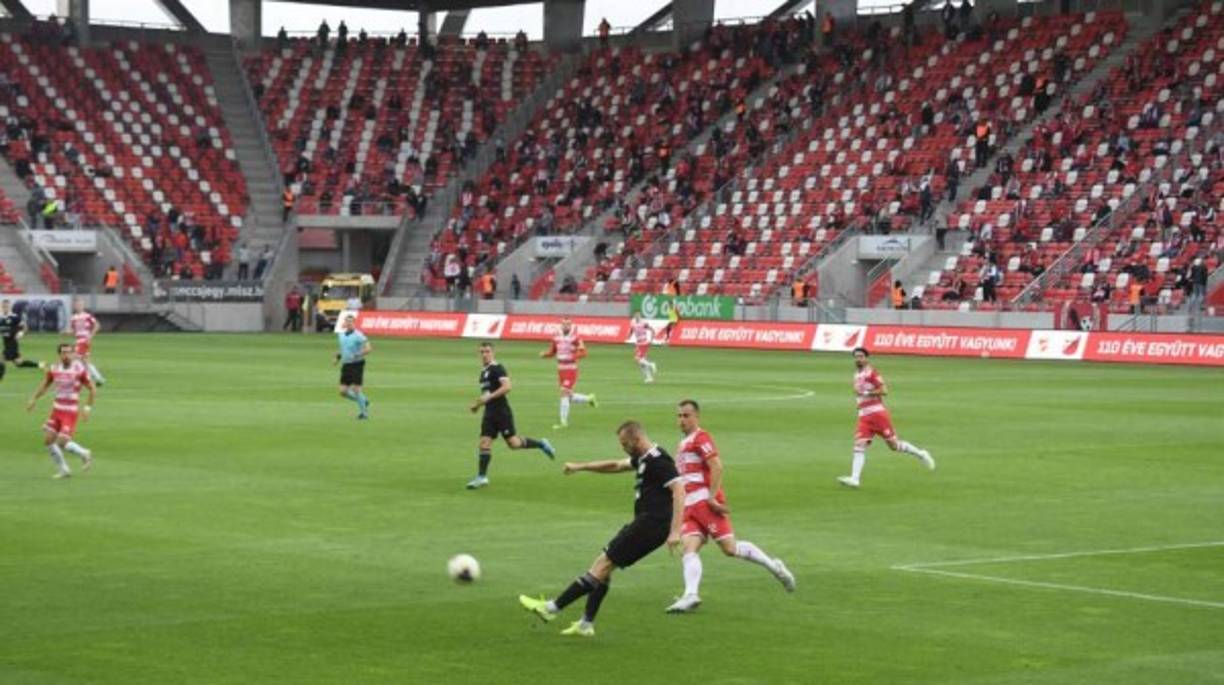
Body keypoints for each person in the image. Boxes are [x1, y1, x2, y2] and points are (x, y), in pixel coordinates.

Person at [519, 420, 685, 638]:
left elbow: (679, 490)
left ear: (637, 439)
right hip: (646, 523)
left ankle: (551, 608)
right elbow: (616, 465)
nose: (622, 447)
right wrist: (582, 466)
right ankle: (586, 624)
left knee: (603, 564)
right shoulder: (643, 457)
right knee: (604, 568)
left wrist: (675, 532)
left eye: (625, 443)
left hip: (652, 525)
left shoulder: (658, 460)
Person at [665, 400, 795, 613]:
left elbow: (716, 465)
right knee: (689, 549)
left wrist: (713, 497)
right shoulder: (682, 444)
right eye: (679, 416)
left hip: (704, 502)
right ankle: (690, 595)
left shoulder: (701, 437)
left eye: (686, 416)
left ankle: (776, 568)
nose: (682, 420)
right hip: (689, 505)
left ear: (697, 417)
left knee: (730, 549)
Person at [838, 347, 935, 488]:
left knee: (894, 446)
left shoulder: (872, 373)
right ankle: (855, 479)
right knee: (859, 446)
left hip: (877, 414)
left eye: (860, 356)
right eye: (856, 356)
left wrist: (866, 392)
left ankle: (921, 454)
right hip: (864, 416)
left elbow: (884, 390)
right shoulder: (857, 374)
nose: (858, 359)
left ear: (866, 358)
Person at [467, 342, 556, 489]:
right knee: (484, 443)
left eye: (487, 351)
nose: (484, 354)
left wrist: (488, 399)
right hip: (489, 413)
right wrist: (477, 405)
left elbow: (507, 387)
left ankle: (542, 444)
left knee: (513, 444)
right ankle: (482, 477)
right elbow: (486, 395)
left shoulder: (497, 368)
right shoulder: (483, 372)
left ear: (493, 352)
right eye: (482, 352)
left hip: (502, 412)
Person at [26, 343, 96, 479]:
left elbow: (92, 389)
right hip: (57, 410)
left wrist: (87, 408)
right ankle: (64, 469)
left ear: (73, 353)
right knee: (48, 440)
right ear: (59, 354)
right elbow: (45, 385)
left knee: (62, 442)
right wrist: (33, 399)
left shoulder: (79, 369)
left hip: (70, 411)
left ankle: (84, 453)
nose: (66, 355)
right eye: (63, 352)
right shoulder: (54, 368)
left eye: (69, 352)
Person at [541, 318, 597, 429]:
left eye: (568, 324)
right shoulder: (556, 337)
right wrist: (545, 354)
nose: (566, 326)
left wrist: (574, 356)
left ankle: (563, 422)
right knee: (569, 396)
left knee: (563, 393)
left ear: (571, 326)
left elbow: (584, 352)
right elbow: (553, 352)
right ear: (561, 325)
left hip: (571, 369)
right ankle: (589, 398)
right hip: (561, 369)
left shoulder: (576, 338)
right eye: (564, 324)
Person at [333, 314, 371, 420]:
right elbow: (343, 349)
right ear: (344, 323)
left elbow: (368, 348)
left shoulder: (359, 335)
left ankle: (364, 413)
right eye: (347, 321)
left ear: (354, 323)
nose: (348, 323)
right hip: (346, 365)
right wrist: (337, 358)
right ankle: (363, 401)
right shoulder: (341, 335)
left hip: (357, 364)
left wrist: (359, 354)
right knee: (343, 392)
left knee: (356, 389)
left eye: (351, 322)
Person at [1, 299, 42, 381]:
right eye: (3, 306)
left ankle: (0, 377)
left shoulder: (14, 317)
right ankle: (40, 365)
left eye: (7, 306)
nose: (5, 308)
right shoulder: (1, 317)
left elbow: (25, 327)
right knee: (19, 363)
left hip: (12, 343)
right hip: (6, 343)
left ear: (10, 307)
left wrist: (21, 333)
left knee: (1, 360)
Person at [69, 299, 104, 386]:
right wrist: (67, 332)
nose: (78, 306)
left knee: (73, 358)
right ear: (74, 306)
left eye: (80, 305)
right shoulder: (73, 318)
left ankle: (75, 380)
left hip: (84, 341)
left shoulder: (87, 316)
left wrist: (90, 336)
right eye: (77, 305)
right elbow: (74, 331)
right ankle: (97, 378)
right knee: (84, 361)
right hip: (78, 341)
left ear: (83, 306)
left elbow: (97, 325)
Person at [630, 313, 657, 383]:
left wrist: (651, 339)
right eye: (635, 316)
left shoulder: (643, 323)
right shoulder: (633, 323)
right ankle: (649, 378)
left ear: (640, 317)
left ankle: (651, 364)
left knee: (637, 359)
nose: (636, 317)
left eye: (638, 316)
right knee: (641, 363)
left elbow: (652, 330)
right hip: (638, 343)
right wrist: (629, 335)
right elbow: (632, 330)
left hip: (643, 343)